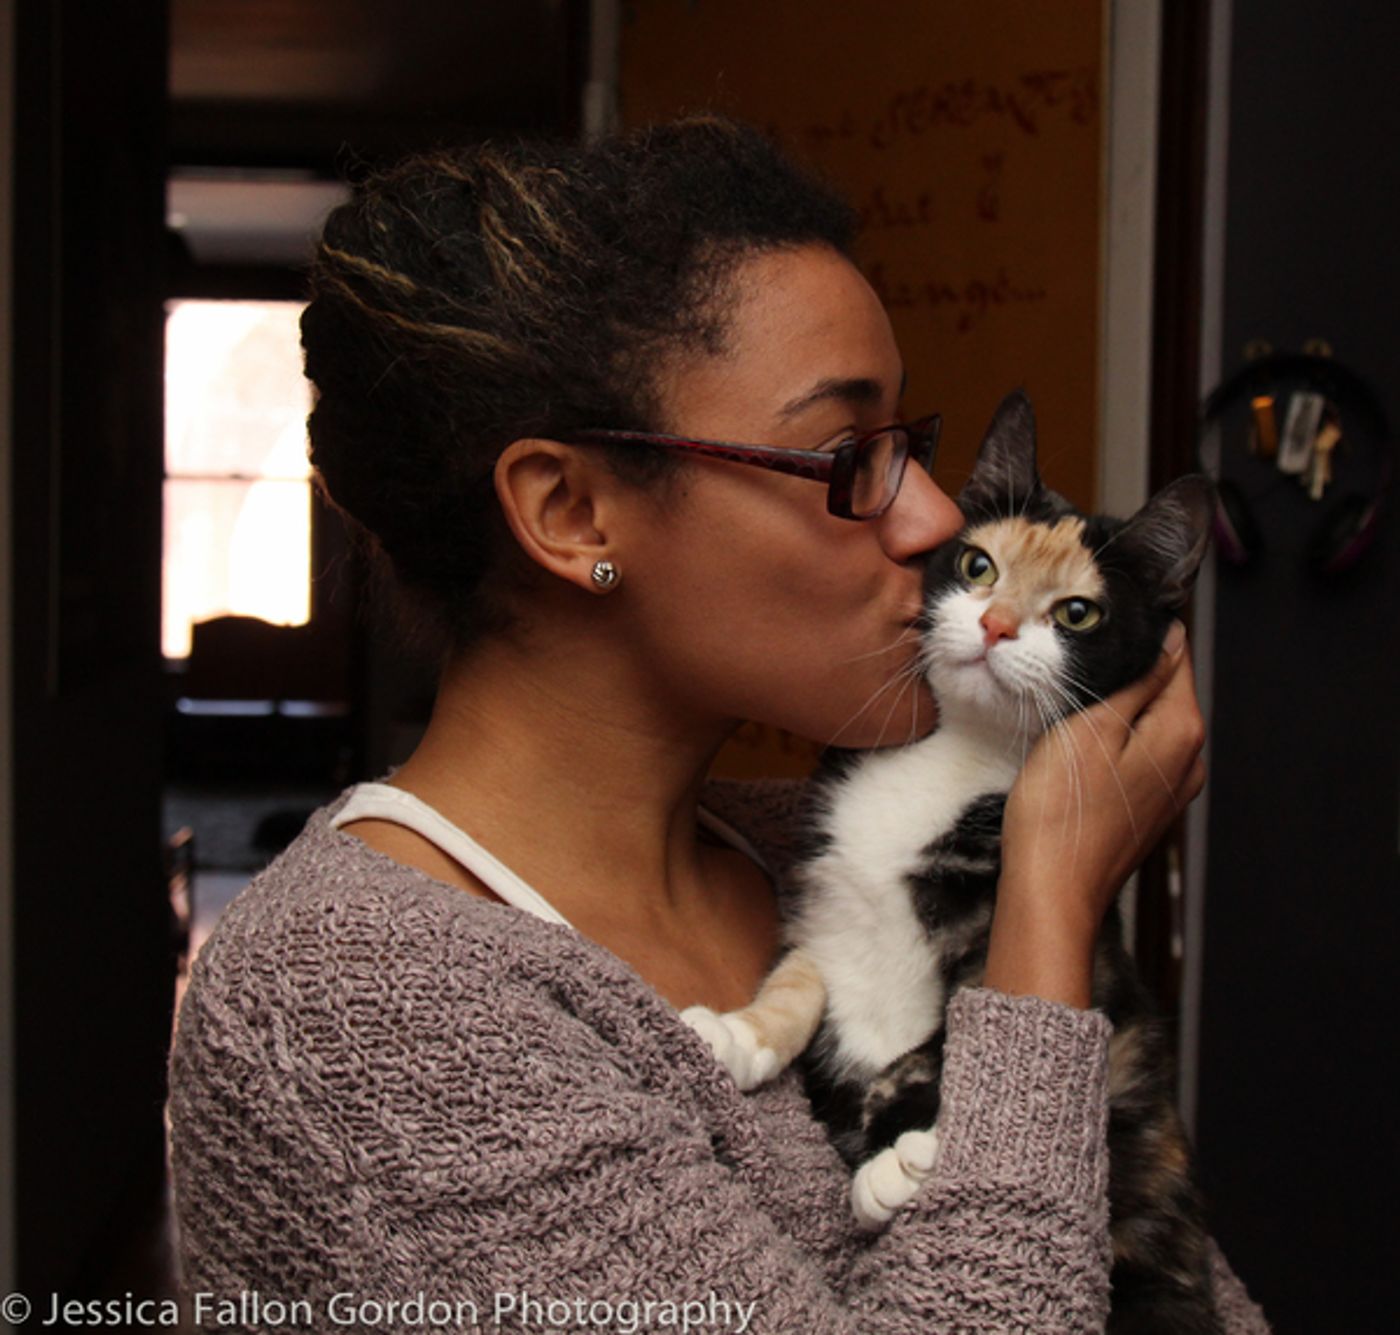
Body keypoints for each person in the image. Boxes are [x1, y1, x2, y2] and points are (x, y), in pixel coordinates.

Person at [168, 116, 1268, 1332]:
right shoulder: (355, 1005)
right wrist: (1047, 915)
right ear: (572, 511)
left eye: (910, 446)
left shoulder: (827, 843)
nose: (934, 519)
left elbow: (1175, 1283)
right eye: (845, 454)